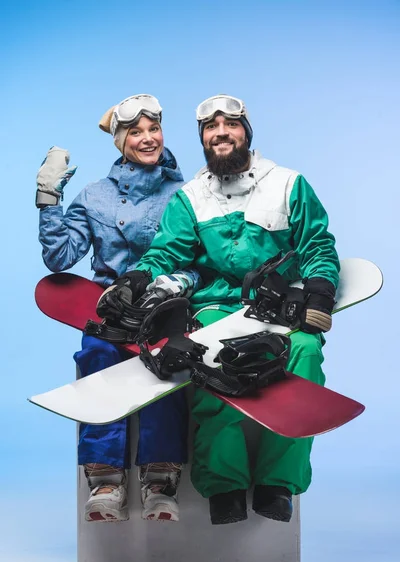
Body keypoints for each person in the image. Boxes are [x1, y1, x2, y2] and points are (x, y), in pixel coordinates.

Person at [97, 93, 340, 526]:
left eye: (230, 124)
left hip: (278, 306)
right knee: (208, 360)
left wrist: (320, 293)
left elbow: (318, 244)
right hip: (216, 309)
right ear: (203, 138)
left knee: (305, 354)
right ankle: (224, 487)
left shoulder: (288, 183)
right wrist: (137, 278)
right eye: (211, 128)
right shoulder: (191, 197)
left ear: (246, 131)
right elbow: (167, 250)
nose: (221, 133)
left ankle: (277, 484)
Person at [36, 94, 201, 523]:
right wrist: (48, 198)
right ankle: (105, 478)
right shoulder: (95, 196)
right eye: (135, 132)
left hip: (167, 304)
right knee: (98, 357)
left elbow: (202, 259)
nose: (148, 139)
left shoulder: (187, 193)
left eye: (153, 129)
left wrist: (176, 281)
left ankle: (160, 479)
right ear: (120, 140)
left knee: (164, 365)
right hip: (110, 306)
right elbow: (60, 258)